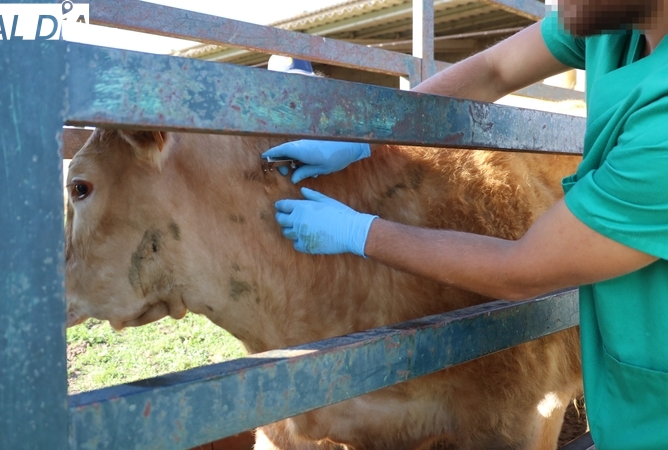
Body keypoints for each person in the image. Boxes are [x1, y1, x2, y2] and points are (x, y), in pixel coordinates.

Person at [262, 1, 668, 448]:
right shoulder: (612, 18)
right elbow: (494, 69)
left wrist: (360, 232)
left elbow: (521, 269)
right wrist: (369, 137)